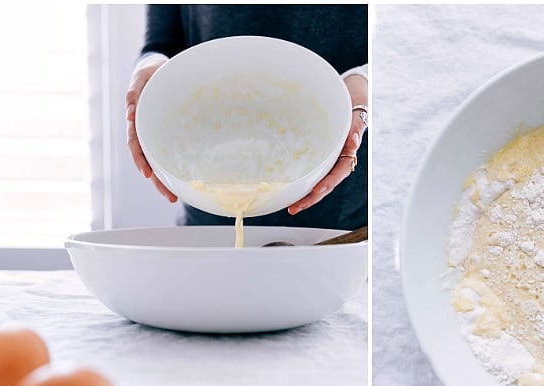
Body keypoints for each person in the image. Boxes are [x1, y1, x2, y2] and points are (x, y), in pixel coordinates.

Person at [125, 5, 368, 230]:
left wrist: (365, 78)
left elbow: (394, 42)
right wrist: (150, 74)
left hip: (338, 225)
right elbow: (162, 43)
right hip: (207, 222)